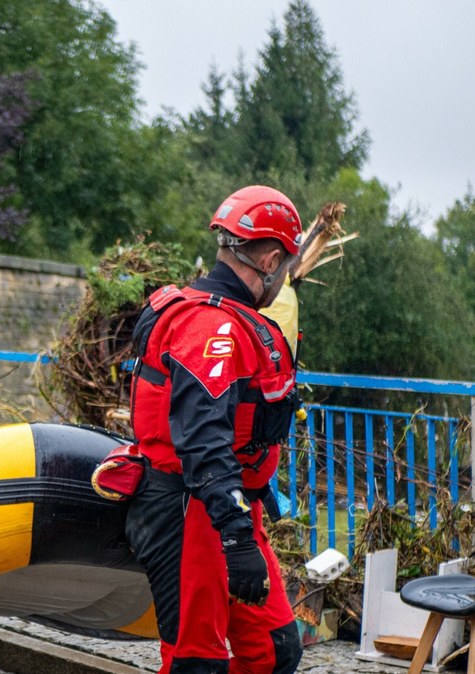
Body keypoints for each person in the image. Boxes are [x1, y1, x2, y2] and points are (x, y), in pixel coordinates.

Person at [125, 185, 304, 674]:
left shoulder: (222, 317)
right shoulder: (213, 328)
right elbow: (202, 440)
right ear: (270, 261)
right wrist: (236, 539)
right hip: (189, 512)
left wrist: (250, 501)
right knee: (195, 662)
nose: (283, 280)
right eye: (285, 269)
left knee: (274, 649)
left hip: (226, 509)